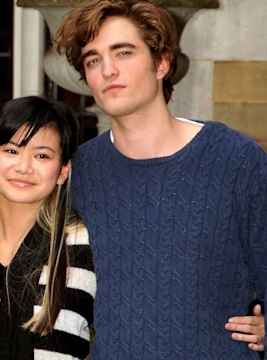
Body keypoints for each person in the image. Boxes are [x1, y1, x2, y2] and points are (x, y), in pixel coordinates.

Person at [54, 0, 267, 358]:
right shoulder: (85, 170)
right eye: (93, 59)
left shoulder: (235, 159)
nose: (108, 70)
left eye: (123, 52)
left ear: (162, 63)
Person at [0, 96, 96, 359]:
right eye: (12, 151)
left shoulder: (84, 244)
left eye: (42, 155)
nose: (23, 167)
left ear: (63, 171)